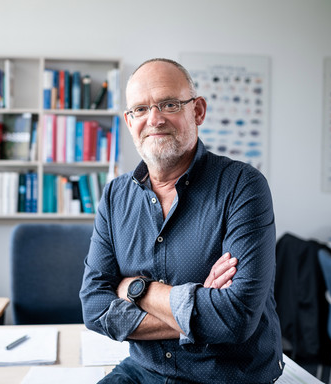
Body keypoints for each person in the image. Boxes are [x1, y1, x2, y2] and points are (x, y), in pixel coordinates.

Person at [80, 58, 284, 383]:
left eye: (169, 104)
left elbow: (235, 318)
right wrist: (199, 303)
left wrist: (136, 289)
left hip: (227, 377)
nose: (154, 119)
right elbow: (94, 308)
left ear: (198, 111)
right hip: (143, 371)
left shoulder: (243, 186)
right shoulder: (114, 196)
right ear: (129, 121)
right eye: (140, 109)